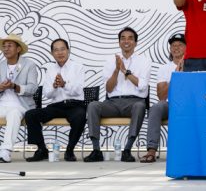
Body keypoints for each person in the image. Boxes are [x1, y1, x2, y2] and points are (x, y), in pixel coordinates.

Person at [85, 27, 150, 162]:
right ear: (119, 42)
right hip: (112, 103)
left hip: (133, 102)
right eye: (123, 38)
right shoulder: (110, 61)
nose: (126, 41)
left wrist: (125, 71)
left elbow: (143, 87)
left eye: (130, 38)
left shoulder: (144, 61)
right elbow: (108, 89)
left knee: (140, 106)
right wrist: (116, 70)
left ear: (135, 43)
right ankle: (96, 150)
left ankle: (127, 149)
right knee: (93, 106)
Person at [25, 38, 86, 162]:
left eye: (62, 49)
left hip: (74, 104)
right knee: (31, 114)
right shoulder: (51, 70)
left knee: (80, 116)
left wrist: (64, 84)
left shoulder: (78, 67)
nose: (60, 53)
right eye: (56, 50)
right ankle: (42, 149)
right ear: (52, 53)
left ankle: (70, 150)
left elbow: (78, 91)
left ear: (68, 50)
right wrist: (54, 86)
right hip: (56, 106)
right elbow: (47, 94)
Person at [140, 33, 185, 163]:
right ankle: (151, 151)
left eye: (180, 45)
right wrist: (176, 75)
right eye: (173, 45)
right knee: (156, 107)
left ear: (187, 48)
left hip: (188, 104)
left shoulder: (193, 66)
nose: (176, 48)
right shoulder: (164, 68)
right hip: (170, 104)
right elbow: (161, 96)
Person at [0, 33, 38, 163]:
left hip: (21, 105)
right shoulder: (1, 66)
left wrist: (15, 86)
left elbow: (33, 88)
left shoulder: (29, 65)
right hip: (2, 105)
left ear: (18, 49)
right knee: (11, 112)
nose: (6, 49)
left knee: (14, 113)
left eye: (9, 46)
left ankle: (5, 152)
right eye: (4, 46)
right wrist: (1, 88)